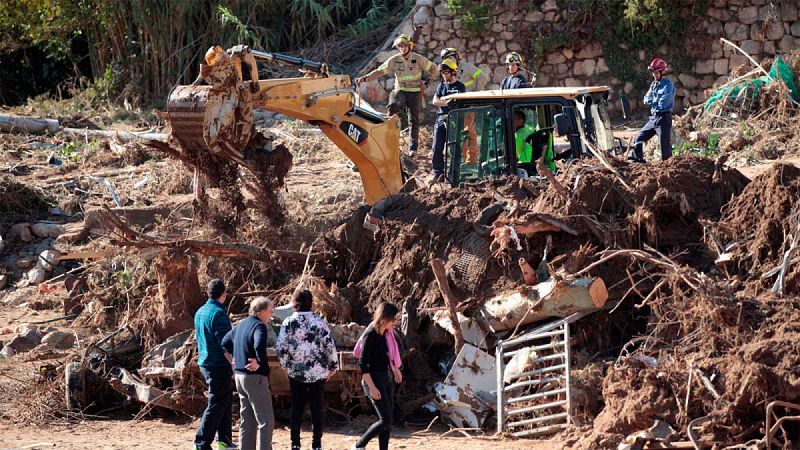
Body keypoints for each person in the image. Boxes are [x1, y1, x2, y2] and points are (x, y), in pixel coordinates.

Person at [276, 290, 339, 450]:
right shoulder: (319, 322)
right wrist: (332, 367)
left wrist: (285, 366)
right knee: (317, 409)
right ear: (311, 303)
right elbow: (329, 346)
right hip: (318, 372)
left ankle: (295, 443)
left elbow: (281, 347)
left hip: (295, 372)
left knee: (296, 408)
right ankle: (316, 444)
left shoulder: (288, 322)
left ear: (294, 302)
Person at [356, 34, 438, 156]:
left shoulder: (418, 58)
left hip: (415, 92)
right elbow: (380, 71)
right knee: (393, 106)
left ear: (409, 46)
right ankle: (389, 140)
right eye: (400, 46)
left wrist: (427, 83)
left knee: (414, 120)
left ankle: (413, 148)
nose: (402, 48)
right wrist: (364, 79)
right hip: (401, 89)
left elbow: (434, 69)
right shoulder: (394, 60)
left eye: (404, 46)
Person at [221, 297, 275, 450]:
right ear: (262, 312)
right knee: (266, 419)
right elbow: (259, 345)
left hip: (240, 377)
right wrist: (259, 362)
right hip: (254, 377)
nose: (271, 315)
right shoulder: (259, 326)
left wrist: (234, 360)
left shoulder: (241, 324)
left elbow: (225, 342)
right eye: (270, 312)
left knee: (247, 419)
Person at [352, 302, 402, 450]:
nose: (395, 322)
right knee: (385, 419)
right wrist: (372, 388)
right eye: (393, 319)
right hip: (373, 381)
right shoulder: (370, 334)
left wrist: (394, 369)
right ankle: (359, 445)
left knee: (388, 420)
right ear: (385, 318)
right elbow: (363, 363)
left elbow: (386, 356)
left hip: (386, 379)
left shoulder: (385, 334)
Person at [194, 279, 235, 450]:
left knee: (224, 401)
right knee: (217, 403)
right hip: (218, 364)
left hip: (206, 362)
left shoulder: (200, 311)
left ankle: (224, 441)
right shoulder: (218, 314)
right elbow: (225, 344)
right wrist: (233, 363)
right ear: (223, 294)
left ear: (208, 293)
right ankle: (201, 442)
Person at [630, 57, 676, 162]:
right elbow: (645, 100)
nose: (654, 75)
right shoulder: (654, 84)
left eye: (656, 72)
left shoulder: (668, 86)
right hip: (653, 118)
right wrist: (654, 100)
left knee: (665, 150)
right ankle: (637, 162)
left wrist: (651, 100)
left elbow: (663, 104)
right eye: (653, 72)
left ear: (662, 72)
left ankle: (668, 167)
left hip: (664, 119)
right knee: (638, 139)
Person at [431, 57, 467, 179]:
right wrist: (447, 102)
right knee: (436, 147)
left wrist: (445, 100)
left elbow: (459, 103)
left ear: (453, 72)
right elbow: (435, 101)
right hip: (441, 119)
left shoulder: (460, 86)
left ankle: (452, 174)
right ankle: (438, 173)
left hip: (455, 120)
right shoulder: (441, 86)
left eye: (446, 72)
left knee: (453, 148)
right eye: (442, 72)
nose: (444, 75)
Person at [513, 110, 555, 176]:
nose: (512, 121)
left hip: (524, 164)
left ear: (521, 120)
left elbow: (515, 153)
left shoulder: (518, 135)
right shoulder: (528, 130)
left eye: (514, 119)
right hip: (532, 163)